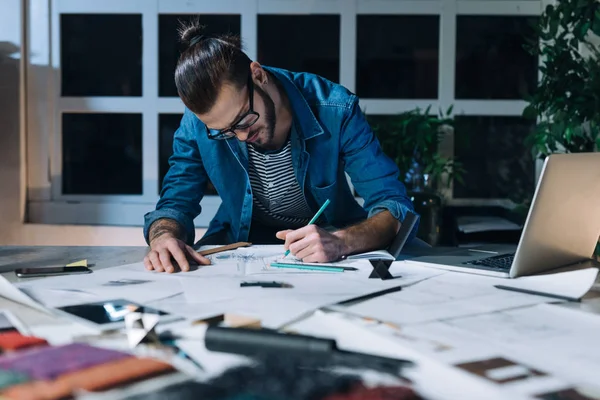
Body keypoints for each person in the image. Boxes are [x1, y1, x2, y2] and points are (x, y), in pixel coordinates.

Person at [143, 21, 419, 273]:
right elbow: (174, 204)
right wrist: (163, 237)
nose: (240, 137)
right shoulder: (198, 124)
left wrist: (341, 241)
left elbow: (394, 207)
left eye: (243, 120)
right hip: (238, 250)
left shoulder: (335, 108)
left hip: (325, 253)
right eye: (224, 132)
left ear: (258, 75)